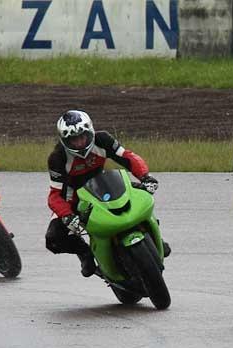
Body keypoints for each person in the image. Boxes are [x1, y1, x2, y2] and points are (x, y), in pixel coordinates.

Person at [45, 110, 160, 277]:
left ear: (90, 131)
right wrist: (67, 215)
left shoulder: (103, 139)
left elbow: (128, 157)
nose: (79, 142)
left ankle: (155, 236)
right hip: (75, 198)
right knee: (53, 239)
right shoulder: (58, 158)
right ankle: (85, 253)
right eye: (73, 139)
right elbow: (54, 195)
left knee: (142, 195)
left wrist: (145, 176)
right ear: (64, 140)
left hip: (107, 184)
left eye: (82, 136)